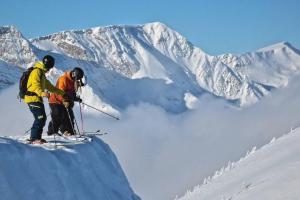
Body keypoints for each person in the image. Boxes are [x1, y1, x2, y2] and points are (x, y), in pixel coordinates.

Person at [24, 55, 65, 144]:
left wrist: (62, 93)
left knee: (42, 118)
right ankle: (34, 138)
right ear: (48, 65)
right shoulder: (36, 72)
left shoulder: (42, 74)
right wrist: (42, 93)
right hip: (32, 98)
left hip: (37, 99)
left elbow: (50, 87)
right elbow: (35, 86)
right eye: (50, 66)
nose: (50, 69)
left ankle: (37, 138)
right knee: (40, 118)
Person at [48, 67, 85, 136]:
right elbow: (61, 92)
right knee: (57, 116)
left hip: (65, 101)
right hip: (55, 101)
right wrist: (64, 100)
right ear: (74, 75)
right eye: (78, 78)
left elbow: (71, 93)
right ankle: (52, 132)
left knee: (69, 116)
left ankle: (69, 131)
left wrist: (76, 98)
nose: (77, 80)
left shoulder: (72, 81)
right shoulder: (64, 79)